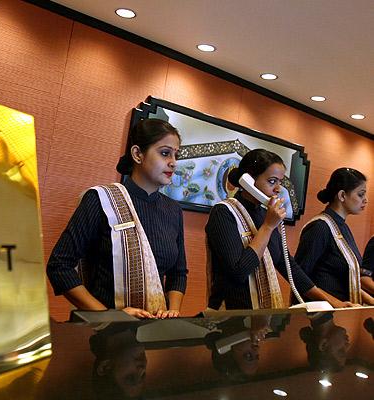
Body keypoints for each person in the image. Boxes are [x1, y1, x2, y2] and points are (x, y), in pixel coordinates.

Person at [47, 118, 187, 319]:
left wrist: (173, 310)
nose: (173, 162)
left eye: (176, 154)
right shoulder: (101, 199)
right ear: (137, 154)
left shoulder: (173, 210)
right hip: (104, 332)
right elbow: (59, 267)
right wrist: (109, 316)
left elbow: (178, 273)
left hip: (156, 331)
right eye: (165, 153)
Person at [205, 149, 349, 310]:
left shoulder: (263, 214)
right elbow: (239, 271)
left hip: (262, 317)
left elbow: (287, 265)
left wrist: (332, 302)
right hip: (230, 317)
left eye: (280, 182)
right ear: (248, 181)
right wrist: (268, 226)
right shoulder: (224, 212)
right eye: (272, 181)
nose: (278, 189)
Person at [295, 168, 374, 305]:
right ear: (342, 195)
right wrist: (337, 304)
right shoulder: (320, 227)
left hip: (341, 312)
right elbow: (300, 278)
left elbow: (348, 283)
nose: (365, 200)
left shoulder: (343, 228)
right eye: (361, 195)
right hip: (321, 316)